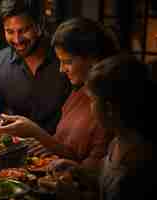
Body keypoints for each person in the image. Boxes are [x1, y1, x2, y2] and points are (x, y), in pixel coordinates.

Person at [0, 17, 120, 169]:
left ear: (92, 58)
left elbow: (92, 172)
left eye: (67, 62)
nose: (61, 69)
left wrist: (36, 132)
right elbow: (65, 146)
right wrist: (44, 143)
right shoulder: (78, 92)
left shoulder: (107, 109)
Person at [49, 54, 156, 200]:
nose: (90, 106)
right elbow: (105, 187)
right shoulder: (118, 141)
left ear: (109, 108)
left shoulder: (137, 164)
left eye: (92, 100)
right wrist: (81, 172)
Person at [0, 0, 71, 134]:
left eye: (23, 30)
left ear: (39, 25)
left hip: (60, 149)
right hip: (17, 148)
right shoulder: (0, 61)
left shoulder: (64, 59)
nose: (17, 40)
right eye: (10, 31)